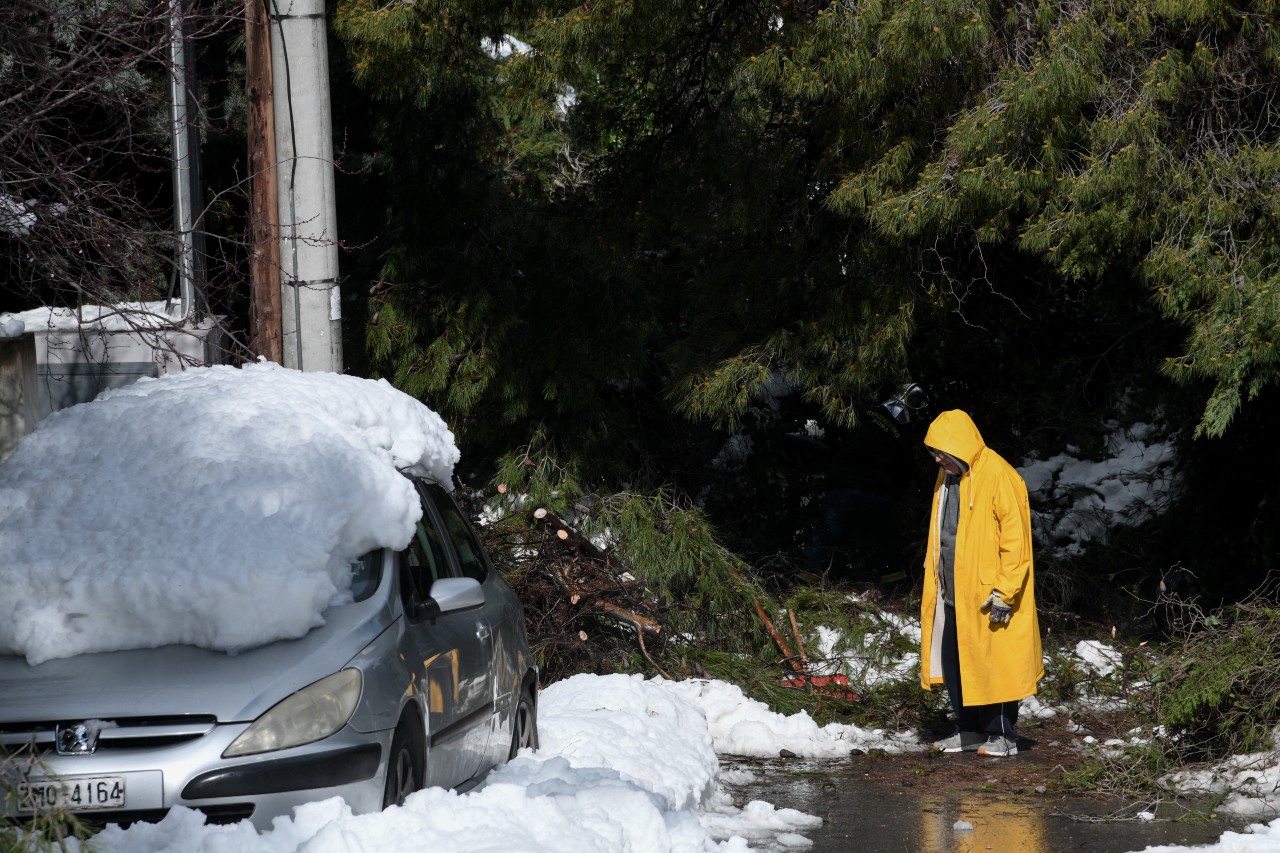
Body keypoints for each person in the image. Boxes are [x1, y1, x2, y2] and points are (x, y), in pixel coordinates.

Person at [919, 409, 1042, 758]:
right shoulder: (949, 478)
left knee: (996, 665)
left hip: (990, 595)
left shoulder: (1000, 476)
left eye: (941, 451)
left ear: (960, 446)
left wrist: (1006, 591)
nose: (937, 458)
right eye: (933, 452)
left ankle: (1002, 735)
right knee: (957, 664)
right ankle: (970, 730)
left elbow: (1016, 541)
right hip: (954, 592)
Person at [798, 382, 927, 583]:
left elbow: (832, 436)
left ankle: (806, 584)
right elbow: (903, 478)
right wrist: (889, 498)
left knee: (824, 541)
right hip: (877, 497)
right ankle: (894, 589)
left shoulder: (860, 414)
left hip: (843, 490)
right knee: (885, 546)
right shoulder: (905, 438)